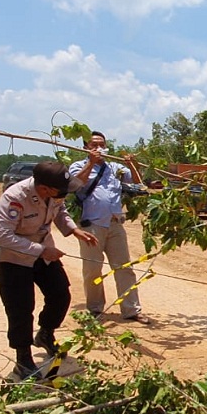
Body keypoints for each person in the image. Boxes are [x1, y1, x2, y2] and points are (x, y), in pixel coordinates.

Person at [0, 160, 97, 379]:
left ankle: (46, 334)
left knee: (60, 294)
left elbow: (61, 212)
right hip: (14, 257)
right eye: (59, 192)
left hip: (43, 251)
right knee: (21, 308)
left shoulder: (54, 194)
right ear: (44, 189)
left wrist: (74, 230)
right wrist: (39, 250)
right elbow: (1, 236)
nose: (62, 195)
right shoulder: (15, 198)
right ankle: (23, 359)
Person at [68, 132, 150, 324]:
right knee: (93, 269)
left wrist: (132, 165)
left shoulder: (115, 168)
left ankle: (131, 310)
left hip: (115, 224)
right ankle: (95, 308)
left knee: (124, 268)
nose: (98, 148)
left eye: (101, 145)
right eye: (93, 145)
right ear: (86, 147)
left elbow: (139, 184)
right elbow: (73, 185)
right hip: (92, 224)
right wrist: (91, 163)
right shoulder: (78, 166)